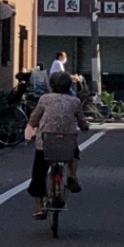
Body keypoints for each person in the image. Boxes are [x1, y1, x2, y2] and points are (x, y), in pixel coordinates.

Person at [26, 70, 89, 220]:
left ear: (52, 86)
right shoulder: (75, 102)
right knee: (74, 153)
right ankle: (72, 175)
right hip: (66, 142)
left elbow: (34, 118)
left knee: (38, 173)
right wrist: (84, 126)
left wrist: (30, 128)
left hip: (46, 142)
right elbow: (81, 120)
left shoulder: (45, 99)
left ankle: (39, 206)